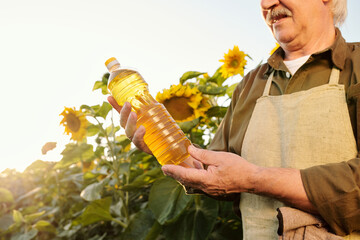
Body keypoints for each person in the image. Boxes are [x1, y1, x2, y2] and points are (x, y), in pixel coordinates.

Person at [108, 0, 360, 239]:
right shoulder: (251, 84)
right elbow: (210, 170)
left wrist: (256, 179)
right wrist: (161, 144)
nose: (266, 4)